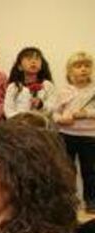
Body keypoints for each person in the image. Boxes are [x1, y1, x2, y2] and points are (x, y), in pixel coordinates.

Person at [51, 51, 95, 213]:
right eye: (78, 66)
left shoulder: (94, 90)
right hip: (67, 135)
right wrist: (61, 119)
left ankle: (91, 201)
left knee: (90, 171)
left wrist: (86, 114)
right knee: (67, 170)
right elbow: (55, 113)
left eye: (87, 66)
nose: (83, 69)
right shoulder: (64, 91)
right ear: (70, 71)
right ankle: (69, 201)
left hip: (89, 136)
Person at [4, 47, 55, 118]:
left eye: (37, 59)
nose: (33, 62)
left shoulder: (47, 85)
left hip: (41, 125)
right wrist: (21, 120)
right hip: (18, 125)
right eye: (29, 59)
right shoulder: (13, 87)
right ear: (20, 67)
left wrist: (41, 105)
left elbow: (53, 108)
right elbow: (8, 110)